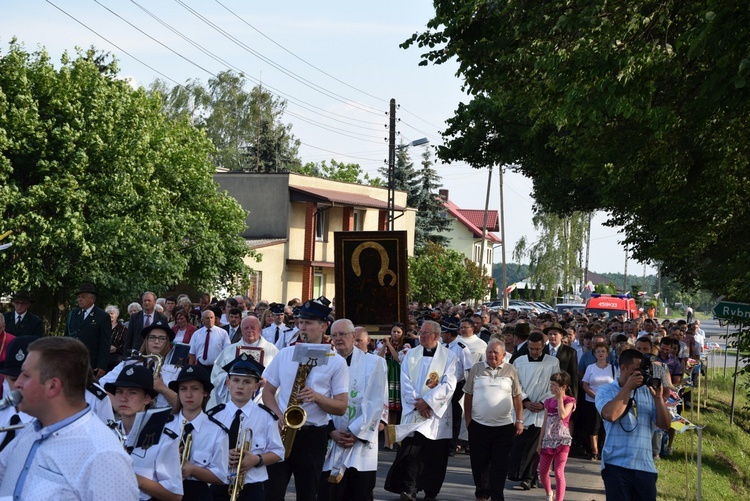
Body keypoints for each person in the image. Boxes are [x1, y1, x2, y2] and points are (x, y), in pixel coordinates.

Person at [0, 337, 138, 499]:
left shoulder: (103, 455)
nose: (17, 384)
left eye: (26, 375)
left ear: (53, 386)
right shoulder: (32, 429)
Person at [262, 297, 348, 501]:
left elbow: (341, 406)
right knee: (272, 493)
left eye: (308, 323)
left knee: (307, 494)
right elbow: (267, 392)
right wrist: (278, 414)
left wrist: (317, 397)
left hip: (312, 435)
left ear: (324, 326)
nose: (303, 327)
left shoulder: (336, 362)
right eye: (301, 322)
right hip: (281, 430)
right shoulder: (285, 354)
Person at [384, 320, 458, 501]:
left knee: (435, 455)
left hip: (436, 415)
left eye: (425, 333)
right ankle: (410, 488)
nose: (421, 335)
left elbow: (449, 384)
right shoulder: (411, 354)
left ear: (436, 336)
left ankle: (431, 490)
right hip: (415, 410)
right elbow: (405, 380)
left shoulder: (449, 356)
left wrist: (429, 403)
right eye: (421, 332)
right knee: (411, 453)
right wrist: (418, 403)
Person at [319, 319, 388, 501]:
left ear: (353, 336)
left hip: (360, 441)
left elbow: (376, 401)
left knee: (359, 491)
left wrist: (355, 432)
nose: (338, 338)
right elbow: (317, 399)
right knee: (328, 492)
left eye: (343, 334)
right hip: (332, 440)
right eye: (334, 335)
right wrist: (331, 431)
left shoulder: (375, 363)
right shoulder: (323, 362)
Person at [596, 349, 670, 500]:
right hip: (616, 465)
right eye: (636, 370)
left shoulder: (647, 391)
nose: (640, 374)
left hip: (645, 466)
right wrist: (628, 388)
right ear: (623, 368)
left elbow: (665, 424)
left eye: (642, 371)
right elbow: (610, 415)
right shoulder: (606, 390)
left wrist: (658, 399)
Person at [209, 355, 284, 500]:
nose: (240, 386)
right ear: (228, 383)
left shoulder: (266, 417)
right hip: (218, 482)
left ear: (256, 386)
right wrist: (222, 455)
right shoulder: (214, 415)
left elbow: (278, 452)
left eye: (247, 382)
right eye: (236, 380)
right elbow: (203, 450)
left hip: (252, 486)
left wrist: (257, 460)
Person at [105, 365, 183, 501]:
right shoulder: (105, 433)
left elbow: (174, 495)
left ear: (147, 399)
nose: (124, 398)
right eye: (119, 391)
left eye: (132, 392)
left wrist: (132, 477)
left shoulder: (164, 438)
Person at [463, 340, 524, 501]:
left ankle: (497, 496)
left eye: (496, 352)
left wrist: (519, 420)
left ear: (503, 355)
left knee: (500, 464)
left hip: (503, 427)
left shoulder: (511, 370)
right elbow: (468, 395)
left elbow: (517, 397)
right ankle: (482, 494)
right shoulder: (477, 368)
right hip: (478, 426)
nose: (492, 355)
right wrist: (468, 419)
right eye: (489, 352)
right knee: (479, 464)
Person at [166, 365, 228, 501]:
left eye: (195, 389)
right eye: (183, 389)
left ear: (205, 392)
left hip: (197, 493)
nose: (188, 395)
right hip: (163, 490)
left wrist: (193, 470)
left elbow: (221, 477)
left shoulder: (217, 431)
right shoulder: (163, 424)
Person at [508, 331, 560, 490]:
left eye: (537, 349)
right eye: (531, 348)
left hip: (542, 410)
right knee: (520, 443)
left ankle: (529, 478)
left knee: (536, 446)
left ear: (543, 347)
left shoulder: (553, 362)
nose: (534, 352)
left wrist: (544, 402)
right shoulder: (519, 361)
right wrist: (525, 400)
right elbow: (514, 384)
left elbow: (555, 385)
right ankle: (523, 476)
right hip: (524, 407)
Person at [101, 321, 181, 409]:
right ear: (146, 341)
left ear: (168, 342)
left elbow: (184, 405)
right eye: (152, 337)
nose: (156, 341)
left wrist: (164, 389)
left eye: (162, 338)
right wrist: (117, 405)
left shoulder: (176, 369)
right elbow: (100, 385)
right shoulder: (128, 364)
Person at [209, 315, 279, 408]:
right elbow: (216, 375)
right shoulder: (230, 350)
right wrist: (228, 378)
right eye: (246, 328)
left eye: (253, 327)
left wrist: (267, 383)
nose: (249, 330)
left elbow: (280, 376)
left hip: (261, 400)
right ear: (241, 330)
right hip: (234, 399)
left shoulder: (272, 351)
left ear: (260, 329)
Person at [537, 372, 577, 501]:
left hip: (562, 439)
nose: (551, 387)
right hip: (548, 439)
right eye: (551, 384)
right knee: (543, 471)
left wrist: (560, 398)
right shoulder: (548, 402)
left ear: (563, 387)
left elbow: (562, 415)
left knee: (559, 472)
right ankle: (549, 492)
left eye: (554, 385)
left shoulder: (569, 401)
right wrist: (539, 443)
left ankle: (559, 499)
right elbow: (544, 424)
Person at [64, 283, 112, 378]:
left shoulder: (102, 316)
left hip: (90, 363)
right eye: (78, 297)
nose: (80, 299)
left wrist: (102, 365)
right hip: (71, 361)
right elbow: (66, 337)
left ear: (92, 299)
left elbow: (105, 343)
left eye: (83, 297)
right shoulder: (73, 314)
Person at [441, 319, 473, 454]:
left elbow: (469, 369)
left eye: (443, 333)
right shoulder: (441, 346)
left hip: (456, 385)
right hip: (441, 385)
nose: (441, 336)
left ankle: (452, 445)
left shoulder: (461, 347)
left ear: (449, 334)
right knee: (442, 414)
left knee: (454, 415)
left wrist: (468, 387)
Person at [377, 322, 411, 446]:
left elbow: (398, 358)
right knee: (386, 409)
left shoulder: (405, 345)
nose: (395, 334)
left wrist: (389, 345)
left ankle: (394, 439)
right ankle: (388, 441)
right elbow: (378, 358)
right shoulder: (382, 343)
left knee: (395, 411)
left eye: (398, 332)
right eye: (394, 331)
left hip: (397, 376)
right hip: (385, 375)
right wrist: (384, 346)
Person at [0, 337, 36, 451]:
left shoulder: (50, 421)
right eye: (13, 379)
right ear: (5, 377)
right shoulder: (2, 411)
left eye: (26, 378)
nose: (18, 384)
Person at [581, 342, 615, 460]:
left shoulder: (613, 368)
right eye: (598, 351)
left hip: (608, 402)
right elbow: (585, 384)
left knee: (606, 426)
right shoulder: (590, 367)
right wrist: (596, 396)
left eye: (603, 351)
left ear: (607, 354)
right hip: (592, 401)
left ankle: (606, 450)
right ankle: (594, 450)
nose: (600, 354)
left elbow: (616, 385)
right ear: (594, 354)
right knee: (594, 426)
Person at [544, 322, 579, 398]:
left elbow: (573, 375)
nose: (552, 336)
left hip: (562, 392)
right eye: (550, 334)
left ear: (561, 336)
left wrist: (574, 397)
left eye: (555, 334)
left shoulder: (570, 352)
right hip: (544, 391)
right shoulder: (542, 350)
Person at [107, 304, 128, 371]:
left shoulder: (123, 329)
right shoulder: (102, 328)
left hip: (117, 357)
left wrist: (116, 348)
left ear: (117, 315)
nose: (110, 315)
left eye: (112, 313)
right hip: (103, 356)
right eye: (108, 314)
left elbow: (125, 343)